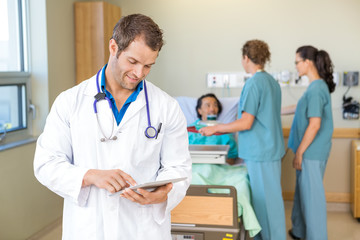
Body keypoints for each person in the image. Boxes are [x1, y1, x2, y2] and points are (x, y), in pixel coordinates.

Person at [33, 14, 192, 240]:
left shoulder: (166, 107)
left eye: (148, 66)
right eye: (133, 62)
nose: (139, 73)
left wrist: (164, 194)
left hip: (143, 229)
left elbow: (179, 168)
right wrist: (89, 175)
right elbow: (46, 164)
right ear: (113, 47)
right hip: (89, 228)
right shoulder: (70, 101)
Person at [199, 39, 286, 240]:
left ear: (246, 58)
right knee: (272, 199)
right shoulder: (272, 82)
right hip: (270, 149)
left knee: (265, 202)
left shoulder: (254, 83)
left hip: (260, 151)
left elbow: (246, 122)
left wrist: (216, 128)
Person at [283, 46, 335, 240]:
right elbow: (299, 108)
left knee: (312, 199)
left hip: (311, 152)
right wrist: (273, 110)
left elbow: (314, 124)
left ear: (308, 62)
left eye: (297, 62)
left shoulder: (316, 89)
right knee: (303, 194)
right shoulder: (315, 87)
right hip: (311, 151)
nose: (296, 66)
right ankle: (300, 231)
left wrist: (299, 152)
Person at [189, 93, 238, 164]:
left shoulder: (225, 130)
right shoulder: (189, 130)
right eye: (207, 105)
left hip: (218, 168)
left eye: (215, 105)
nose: (212, 109)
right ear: (199, 110)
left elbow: (232, 159)